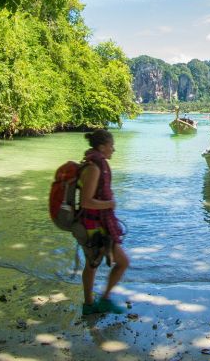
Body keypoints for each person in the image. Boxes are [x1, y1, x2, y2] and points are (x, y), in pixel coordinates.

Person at [79, 129, 129, 315]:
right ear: (102, 147)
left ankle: (90, 305)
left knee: (91, 265)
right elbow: (86, 201)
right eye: (111, 145)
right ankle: (102, 299)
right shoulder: (94, 168)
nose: (113, 149)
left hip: (96, 223)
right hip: (94, 227)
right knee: (122, 262)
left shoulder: (95, 164)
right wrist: (110, 203)